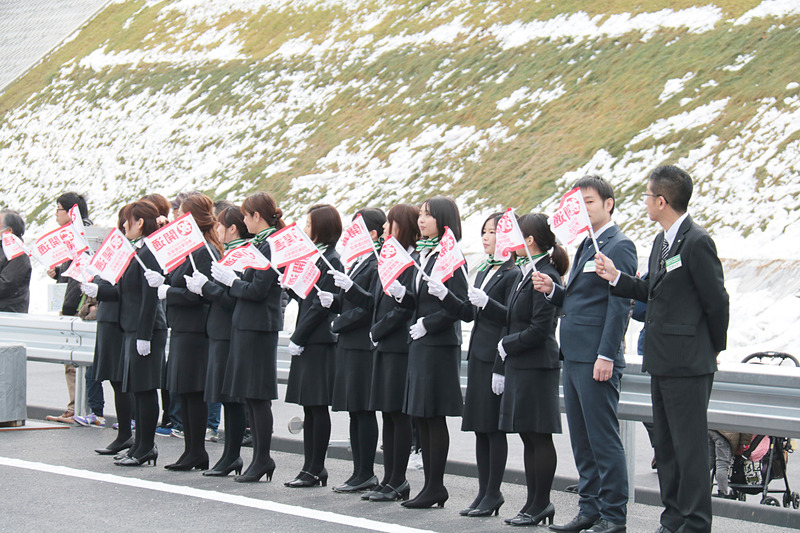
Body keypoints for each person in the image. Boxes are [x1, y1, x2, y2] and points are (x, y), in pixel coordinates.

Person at [594, 165, 730, 533]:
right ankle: (672, 518)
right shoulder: (661, 242)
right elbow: (649, 288)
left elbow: (717, 302)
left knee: (689, 449)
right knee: (666, 449)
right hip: (662, 360)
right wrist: (617, 277)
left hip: (689, 363)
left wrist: (712, 349)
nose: (645, 203)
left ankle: (696, 522)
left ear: (662, 200)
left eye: (648, 196)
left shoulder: (697, 241)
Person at [532, 176, 637, 533]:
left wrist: (607, 354)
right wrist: (553, 290)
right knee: (582, 440)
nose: (584, 208)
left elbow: (619, 305)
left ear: (608, 204)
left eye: (589, 201)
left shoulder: (618, 245)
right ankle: (589, 508)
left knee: (603, 439)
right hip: (574, 354)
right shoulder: (584, 246)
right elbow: (580, 299)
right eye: (580, 202)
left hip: (597, 357)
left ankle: (613, 515)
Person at [430, 212, 517, 517]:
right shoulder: (483, 270)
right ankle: (483, 492)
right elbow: (468, 313)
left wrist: (501, 366)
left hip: (496, 356)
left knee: (494, 428)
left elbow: (511, 318)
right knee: (480, 427)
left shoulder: (513, 273)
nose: (486, 237)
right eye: (484, 232)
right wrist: (445, 297)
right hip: (478, 355)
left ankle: (494, 492)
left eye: (492, 232)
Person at [485, 214, 569, 526]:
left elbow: (541, 329)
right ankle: (532, 503)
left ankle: (541, 503)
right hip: (522, 365)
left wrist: (508, 344)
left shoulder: (544, 274)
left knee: (538, 436)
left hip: (537, 366)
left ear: (530, 240)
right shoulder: (527, 272)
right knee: (527, 436)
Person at [391, 196, 468, 509]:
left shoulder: (449, 253)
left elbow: (461, 306)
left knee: (433, 417)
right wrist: (404, 296)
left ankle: (435, 485)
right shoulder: (424, 254)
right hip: (421, 344)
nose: (421, 220)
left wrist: (429, 323)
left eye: (428, 215)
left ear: (444, 219)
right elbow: (421, 299)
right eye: (421, 214)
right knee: (420, 416)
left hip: (438, 345)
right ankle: (429, 486)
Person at [339, 204, 419, 502]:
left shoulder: (408, 261)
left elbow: (404, 307)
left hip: (398, 345)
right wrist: (349, 289)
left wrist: (377, 329)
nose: (385, 229)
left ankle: (397, 479)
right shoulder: (390, 258)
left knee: (397, 416)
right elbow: (375, 300)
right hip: (385, 345)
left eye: (390, 225)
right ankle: (388, 479)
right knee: (389, 415)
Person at [145, 194, 222, 471]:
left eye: (181, 213)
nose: (176, 217)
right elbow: (182, 283)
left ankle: (197, 450)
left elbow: (199, 294)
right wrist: (164, 281)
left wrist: (169, 292)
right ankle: (191, 450)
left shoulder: (205, 250)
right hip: (181, 328)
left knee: (193, 391)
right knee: (184, 392)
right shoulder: (188, 249)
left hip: (195, 330)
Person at [321, 208, 385, 493]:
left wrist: (338, 321)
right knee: (353, 410)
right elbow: (350, 301)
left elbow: (368, 306)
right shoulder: (359, 262)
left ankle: (367, 471)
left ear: (372, 234)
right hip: (349, 344)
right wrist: (333, 301)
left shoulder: (377, 263)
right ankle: (358, 470)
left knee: (363, 409)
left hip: (361, 344)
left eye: (358, 229)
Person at [187, 205, 253, 476]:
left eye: (221, 226)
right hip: (219, 332)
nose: (218, 230)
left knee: (232, 398)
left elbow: (231, 299)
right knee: (226, 397)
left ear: (232, 228)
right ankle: (229, 455)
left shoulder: (242, 256)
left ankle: (232, 455)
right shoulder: (230, 254)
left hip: (228, 332)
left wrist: (206, 287)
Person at [284, 204, 343, 488]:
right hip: (308, 338)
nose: (306, 229)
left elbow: (323, 307)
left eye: (309, 224)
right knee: (309, 407)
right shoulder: (314, 257)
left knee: (318, 407)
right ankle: (309, 466)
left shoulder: (331, 260)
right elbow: (305, 298)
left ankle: (316, 466)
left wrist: (299, 336)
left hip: (319, 340)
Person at [46, 192, 104, 426]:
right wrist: (58, 273)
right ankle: (80, 407)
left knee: (77, 361)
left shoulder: (83, 236)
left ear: (70, 212)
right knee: (78, 362)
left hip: (82, 306)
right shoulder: (80, 235)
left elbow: (82, 274)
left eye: (58, 209)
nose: (56, 214)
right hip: (79, 302)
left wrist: (70, 306)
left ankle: (78, 408)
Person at [91, 206, 134, 456]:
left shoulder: (132, 252)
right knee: (114, 380)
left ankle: (127, 434)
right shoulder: (117, 247)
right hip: (108, 319)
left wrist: (99, 288)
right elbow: (103, 276)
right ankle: (124, 435)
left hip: (120, 320)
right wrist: (97, 283)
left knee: (122, 381)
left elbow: (121, 289)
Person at [0, 209, 31, 313]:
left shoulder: (17, 253)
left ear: (8, 231)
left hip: (9, 315)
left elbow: (5, 285)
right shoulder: (3, 249)